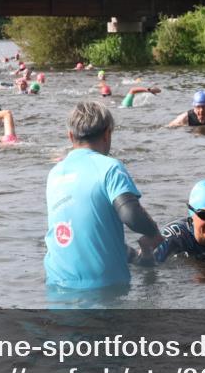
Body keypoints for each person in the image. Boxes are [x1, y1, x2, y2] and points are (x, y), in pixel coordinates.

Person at [44, 101, 163, 290]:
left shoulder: (54, 174)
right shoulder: (110, 167)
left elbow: (87, 233)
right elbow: (131, 215)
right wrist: (153, 232)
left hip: (57, 284)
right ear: (107, 134)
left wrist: (136, 256)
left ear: (70, 136)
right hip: (104, 289)